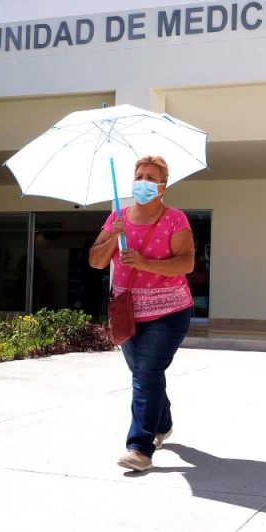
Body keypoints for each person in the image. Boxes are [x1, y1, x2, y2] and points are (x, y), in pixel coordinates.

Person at [89, 155, 195, 472]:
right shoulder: (117, 218)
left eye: (150, 177)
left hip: (169, 311)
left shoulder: (175, 219)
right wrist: (113, 236)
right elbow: (96, 261)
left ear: (162, 186)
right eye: (139, 176)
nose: (143, 182)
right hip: (127, 311)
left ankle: (139, 448)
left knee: (146, 373)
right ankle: (162, 423)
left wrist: (144, 263)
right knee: (145, 374)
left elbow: (186, 263)